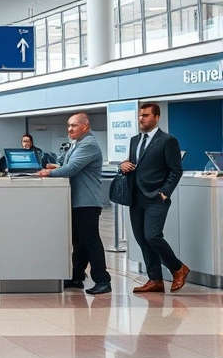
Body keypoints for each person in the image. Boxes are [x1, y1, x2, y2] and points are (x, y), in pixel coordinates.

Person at [37, 113, 112, 295]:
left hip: (87, 202)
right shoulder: (77, 143)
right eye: (69, 125)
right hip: (78, 201)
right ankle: (76, 276)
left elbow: (72, 168)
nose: (70, 129)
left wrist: (49, 173)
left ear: (85, 126)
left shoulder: (88, 144)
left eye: (74, 125)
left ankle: (103, 280)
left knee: (91, 241)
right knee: (79, 242)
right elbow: (67, 164)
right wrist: (55, 167)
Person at [119, 102, 188, 293]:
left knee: (152, 236)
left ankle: (178, 268)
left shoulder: (167, 140)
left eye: (146, 115)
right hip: (135, 196)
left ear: (156, 117)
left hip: (156, 197)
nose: (141, 119)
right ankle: (155, 279)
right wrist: (122, 165)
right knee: (142, 239)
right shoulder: (134, 140)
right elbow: (134, 164)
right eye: (140, 115)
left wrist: (165, 192)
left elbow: (176, 170)